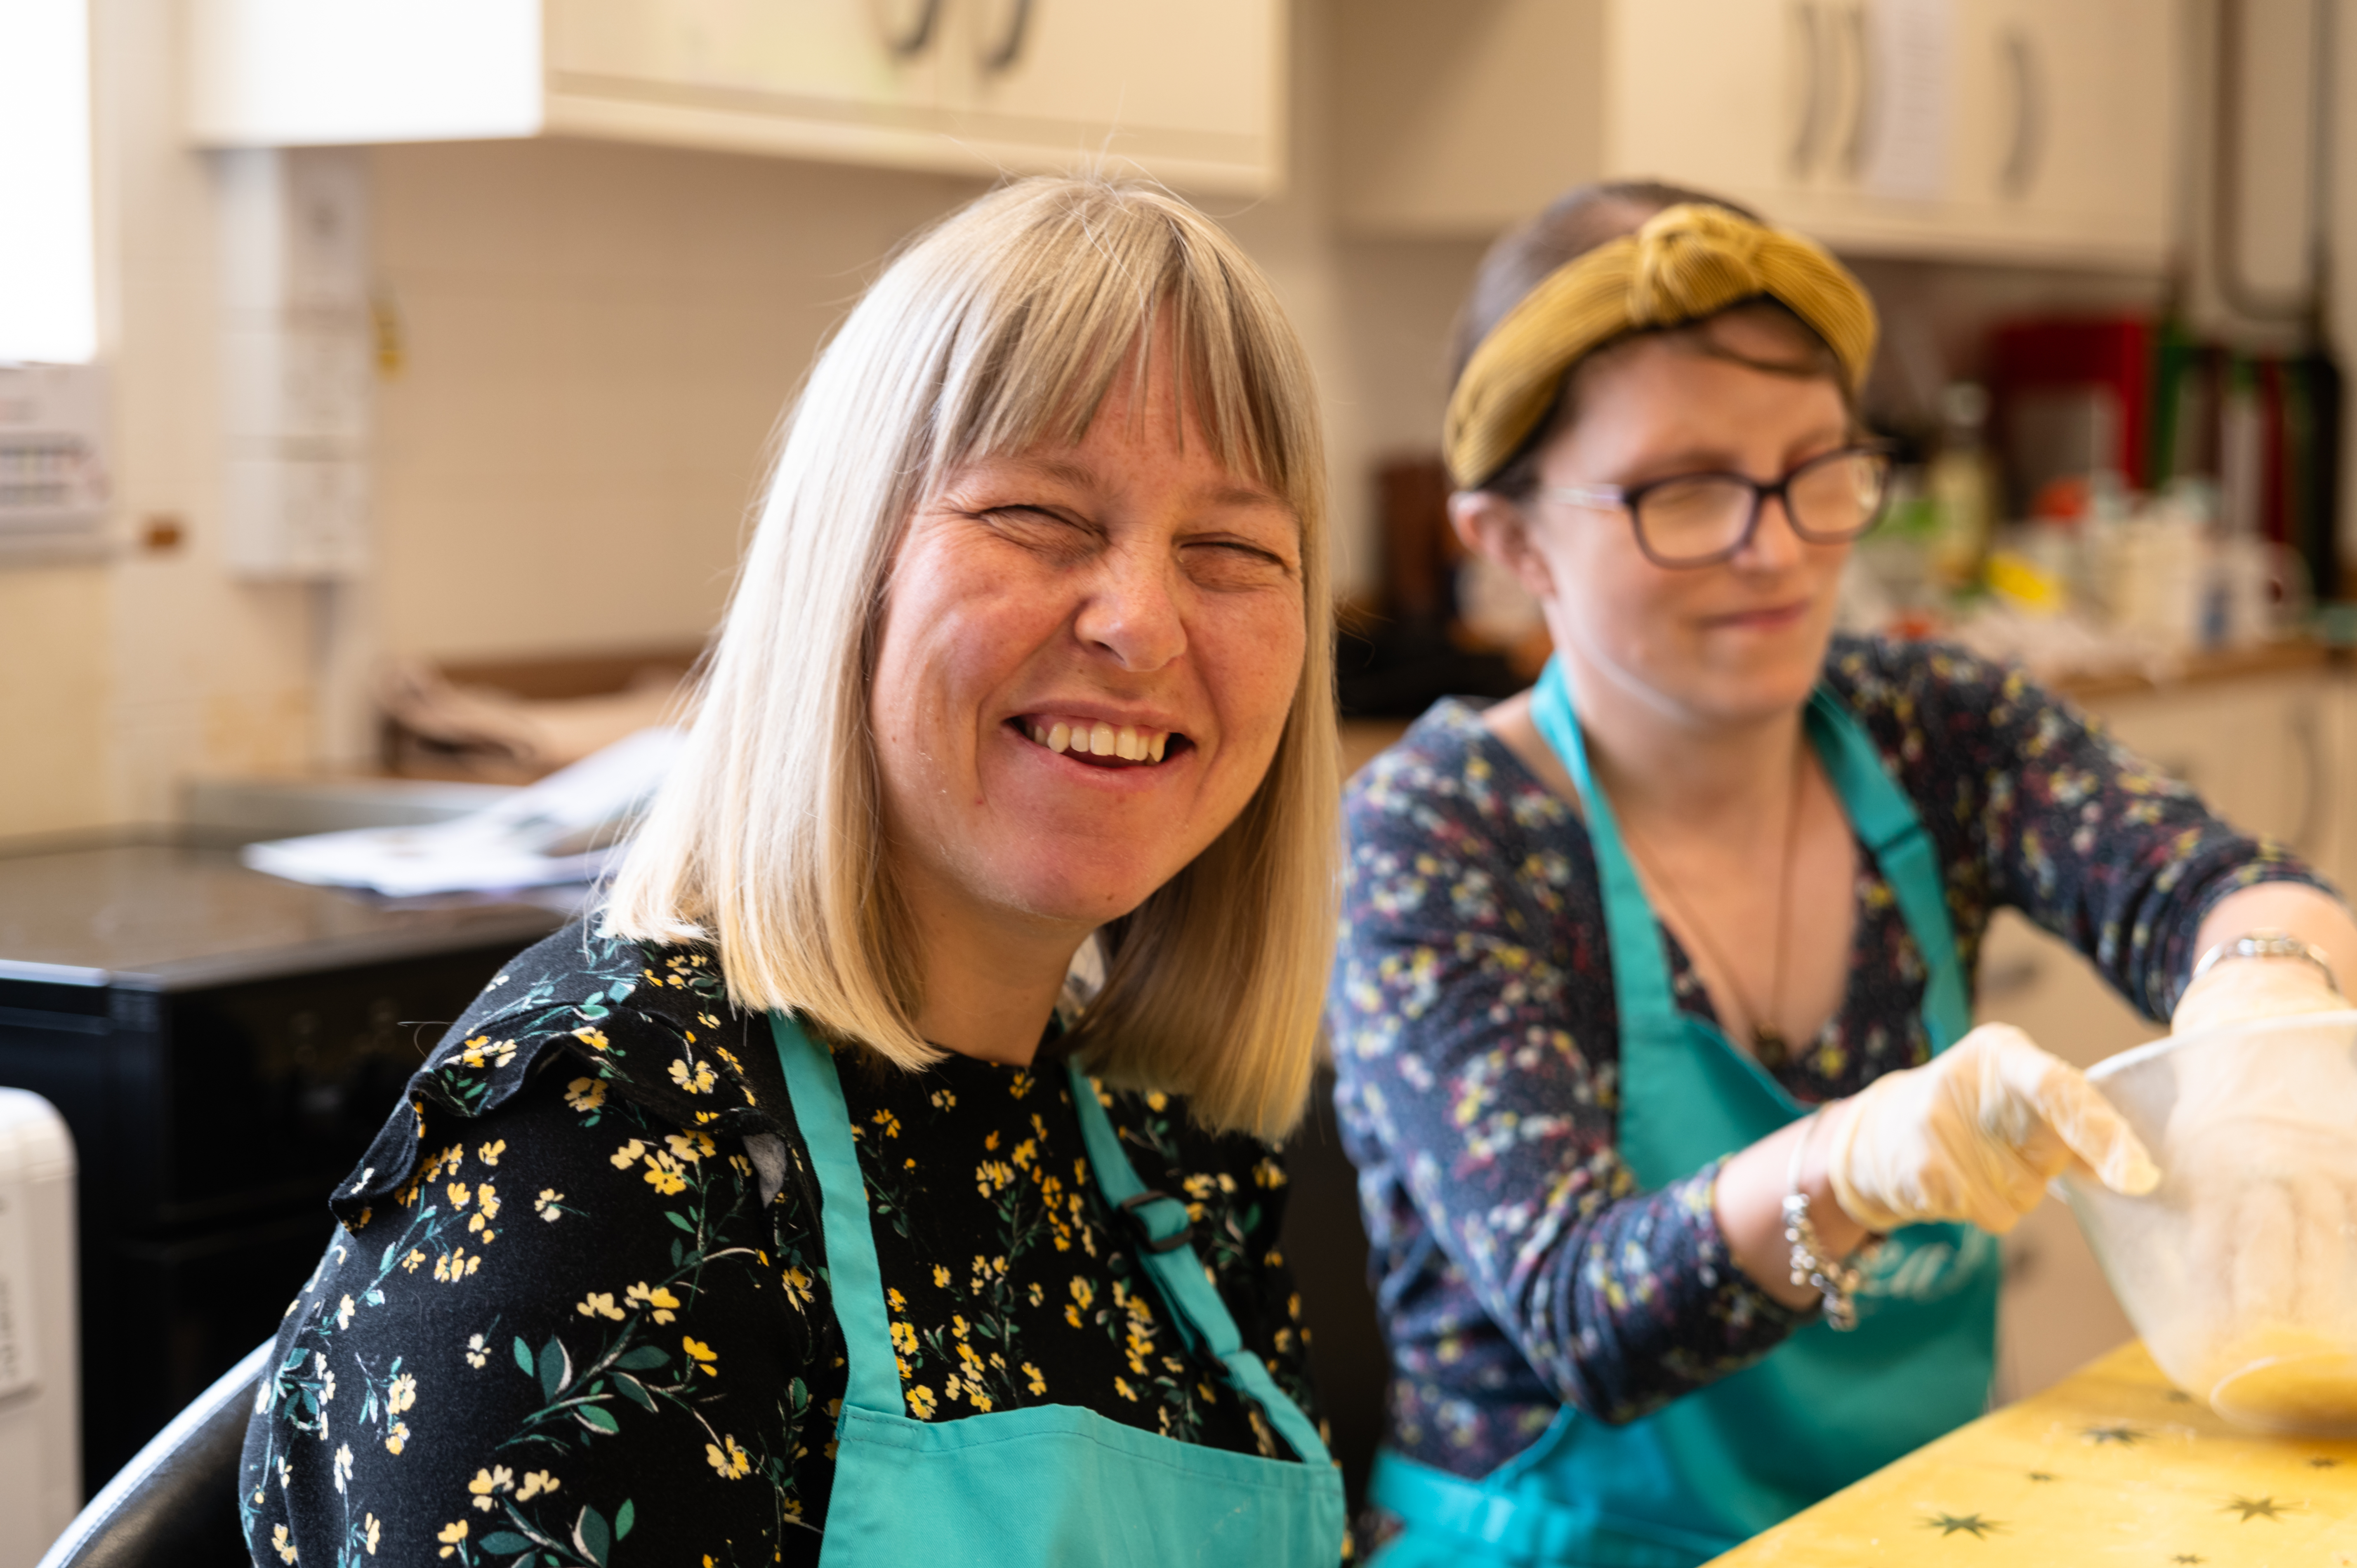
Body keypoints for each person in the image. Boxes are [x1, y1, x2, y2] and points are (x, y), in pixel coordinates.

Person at [240, 177, 1350, 1567]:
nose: (1140, 621)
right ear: (848, 570)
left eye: (1230, 549)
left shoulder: (1162, 1149)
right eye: (1039, 516)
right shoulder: (604, 1161)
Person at [1327, 181, 2357, 1567]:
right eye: (1686, 490)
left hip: (1902, 1526)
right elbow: (1585, 1314)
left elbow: (2219, 885)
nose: (1777, 547)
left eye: (1817, 469)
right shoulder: (1443, 832)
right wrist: (1848, 1163)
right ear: (1509, 542)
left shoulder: (1929, 730)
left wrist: (2260, 1003)